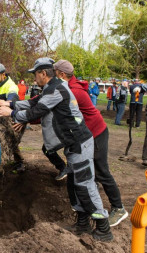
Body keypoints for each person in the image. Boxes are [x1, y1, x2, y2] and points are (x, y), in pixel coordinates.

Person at [0, 57, 113, 242]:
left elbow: (37, 111)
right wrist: (10, 104)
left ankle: (103, 228)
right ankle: (82, 224)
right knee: (74, 186)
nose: (34, 78)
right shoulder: (52, 87)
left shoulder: (56, 89)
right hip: (72, 145)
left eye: (35, 74)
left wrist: (13, 113)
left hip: (80, 144)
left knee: (85, 186)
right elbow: (34, 102)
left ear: (43, 73)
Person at [53, 60, 128, 227]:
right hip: (84, 136)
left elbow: (46, 106)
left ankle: (119, 208)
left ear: (62, 74)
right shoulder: (68, 88)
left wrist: (16, 110)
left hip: (96, 133)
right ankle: (84, 211)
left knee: (101, 171)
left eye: (54, 72)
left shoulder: (73, 92)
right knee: (81, 172)